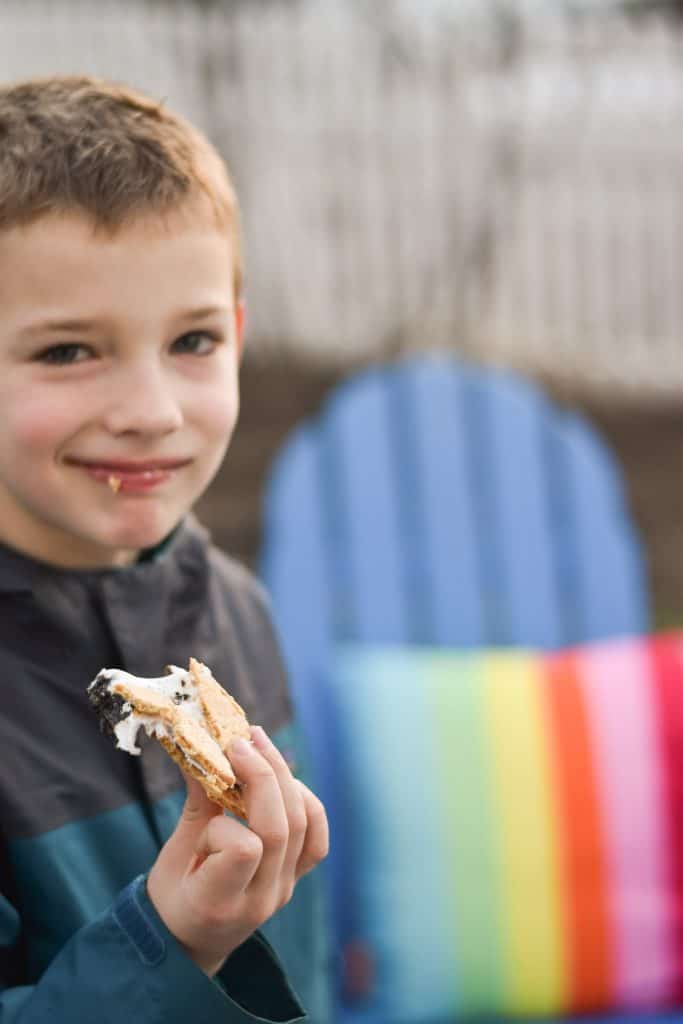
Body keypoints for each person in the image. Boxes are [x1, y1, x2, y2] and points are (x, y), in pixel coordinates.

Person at [0, 75, 330, 1022]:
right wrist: (173, 945)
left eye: (191, 340)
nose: (151, 413)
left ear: (238, 335)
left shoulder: (237, 608)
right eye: (68, 351)